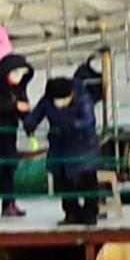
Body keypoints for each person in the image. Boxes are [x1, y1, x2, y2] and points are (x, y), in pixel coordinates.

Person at [31, 67, 101, 226]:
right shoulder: (49, 98)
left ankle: (90, 213)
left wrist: (71, 125)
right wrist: (30, 123)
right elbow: (37, 113)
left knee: (88, 181)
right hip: (59, 146)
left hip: (83, 146)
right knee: (63, 182)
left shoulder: (83, 97)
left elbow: (89, 120)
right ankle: (71, 213)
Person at [0, 49, 28, 217]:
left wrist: (28, 120)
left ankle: (9, 204)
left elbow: (24, 108)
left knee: (8, 172)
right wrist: (14, 106)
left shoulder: (17, 89)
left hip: (7, 137)